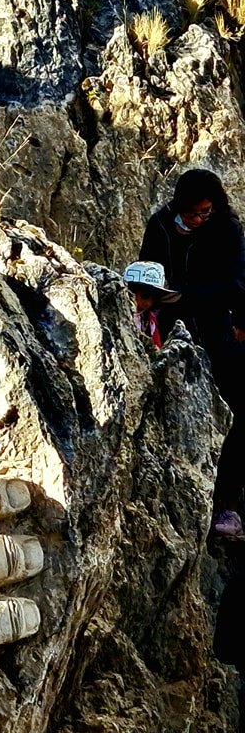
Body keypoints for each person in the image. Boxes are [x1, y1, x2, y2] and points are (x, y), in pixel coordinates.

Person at [140, 168, 245, 539]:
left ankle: (226, 507)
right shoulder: (161, 225)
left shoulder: (227, 229)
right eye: (192, 213)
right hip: (172, 336)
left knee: (234, 414)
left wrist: (186, 293)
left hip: (219, 333)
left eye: (205, 212)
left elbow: (235, 284)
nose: (198, 219)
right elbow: (148, 271)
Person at [124, 259, 179, 348]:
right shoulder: (115, 314)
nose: (148, 303)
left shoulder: (150, 320)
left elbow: (156, 347)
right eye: (145, 296)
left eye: (154, 298)